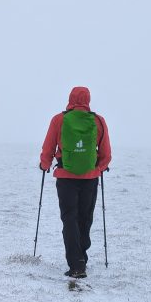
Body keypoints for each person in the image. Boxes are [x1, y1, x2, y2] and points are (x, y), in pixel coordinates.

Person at [39, 86, 111, 278]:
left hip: (65, 178)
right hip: (90, 178)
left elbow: (48, 146)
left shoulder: (59, 120)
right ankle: (82, 258)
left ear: (70, 98)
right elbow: (106, 154)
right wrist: (100, 167)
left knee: (69, 219)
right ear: (88, 100)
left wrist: (45, 164)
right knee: (85, 219)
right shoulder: (98, 121)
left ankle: (76, 264)